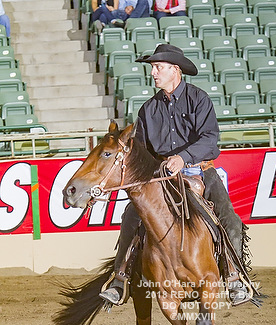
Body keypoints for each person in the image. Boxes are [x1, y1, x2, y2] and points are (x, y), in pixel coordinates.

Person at [99, 44, 251, 307]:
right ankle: (120, 279)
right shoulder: (148, 109)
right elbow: (143, 150)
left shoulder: (198, 99)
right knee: (131, 216)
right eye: (153, 68)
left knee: (230, 219)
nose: (153, 73)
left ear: (175, 70)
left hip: (200, 170)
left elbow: (210, 138)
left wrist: (183, 157)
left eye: (158, 67)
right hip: (161, 176)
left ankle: (234, 277)